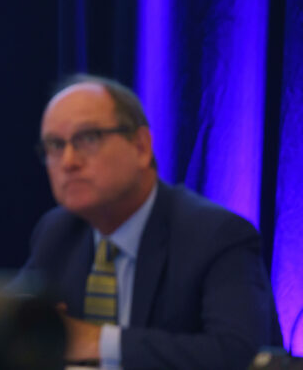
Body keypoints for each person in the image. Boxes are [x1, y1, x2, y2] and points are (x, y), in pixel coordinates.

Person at [15, 74, 281, 370]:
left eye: (88, 139)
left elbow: (236, 352)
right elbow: (9, 323)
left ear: (141, 147)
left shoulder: (216, 235)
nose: (68, 162)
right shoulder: (57, 231)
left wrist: (94, 341)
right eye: (54, 145)